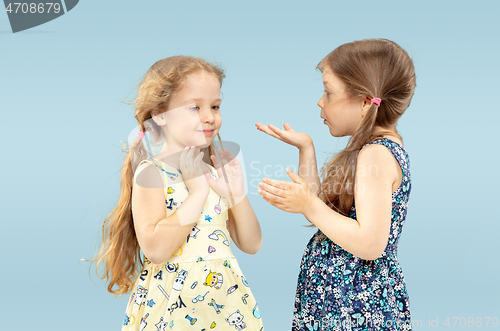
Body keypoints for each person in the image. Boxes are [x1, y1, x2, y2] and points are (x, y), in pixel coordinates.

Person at [92, 56, 264, 330]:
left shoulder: (213, 173)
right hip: (172, 308)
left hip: (224, 306)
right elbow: (156, 249)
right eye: (195, 107)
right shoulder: (151, 173)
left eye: (215, 106)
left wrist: (236, 195)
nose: (209, 116)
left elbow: (252, 244)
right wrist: (196, 195)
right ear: (160, 113)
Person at [255, 39, 416, 330]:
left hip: (353, 305)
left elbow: (370, 244)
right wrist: (307, 149)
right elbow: (333, 217)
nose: (320, 101)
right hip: (340, 300)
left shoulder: (375, 155)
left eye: (328, 92)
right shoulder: (377, 150)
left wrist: (308, 204)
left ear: (366, 102)